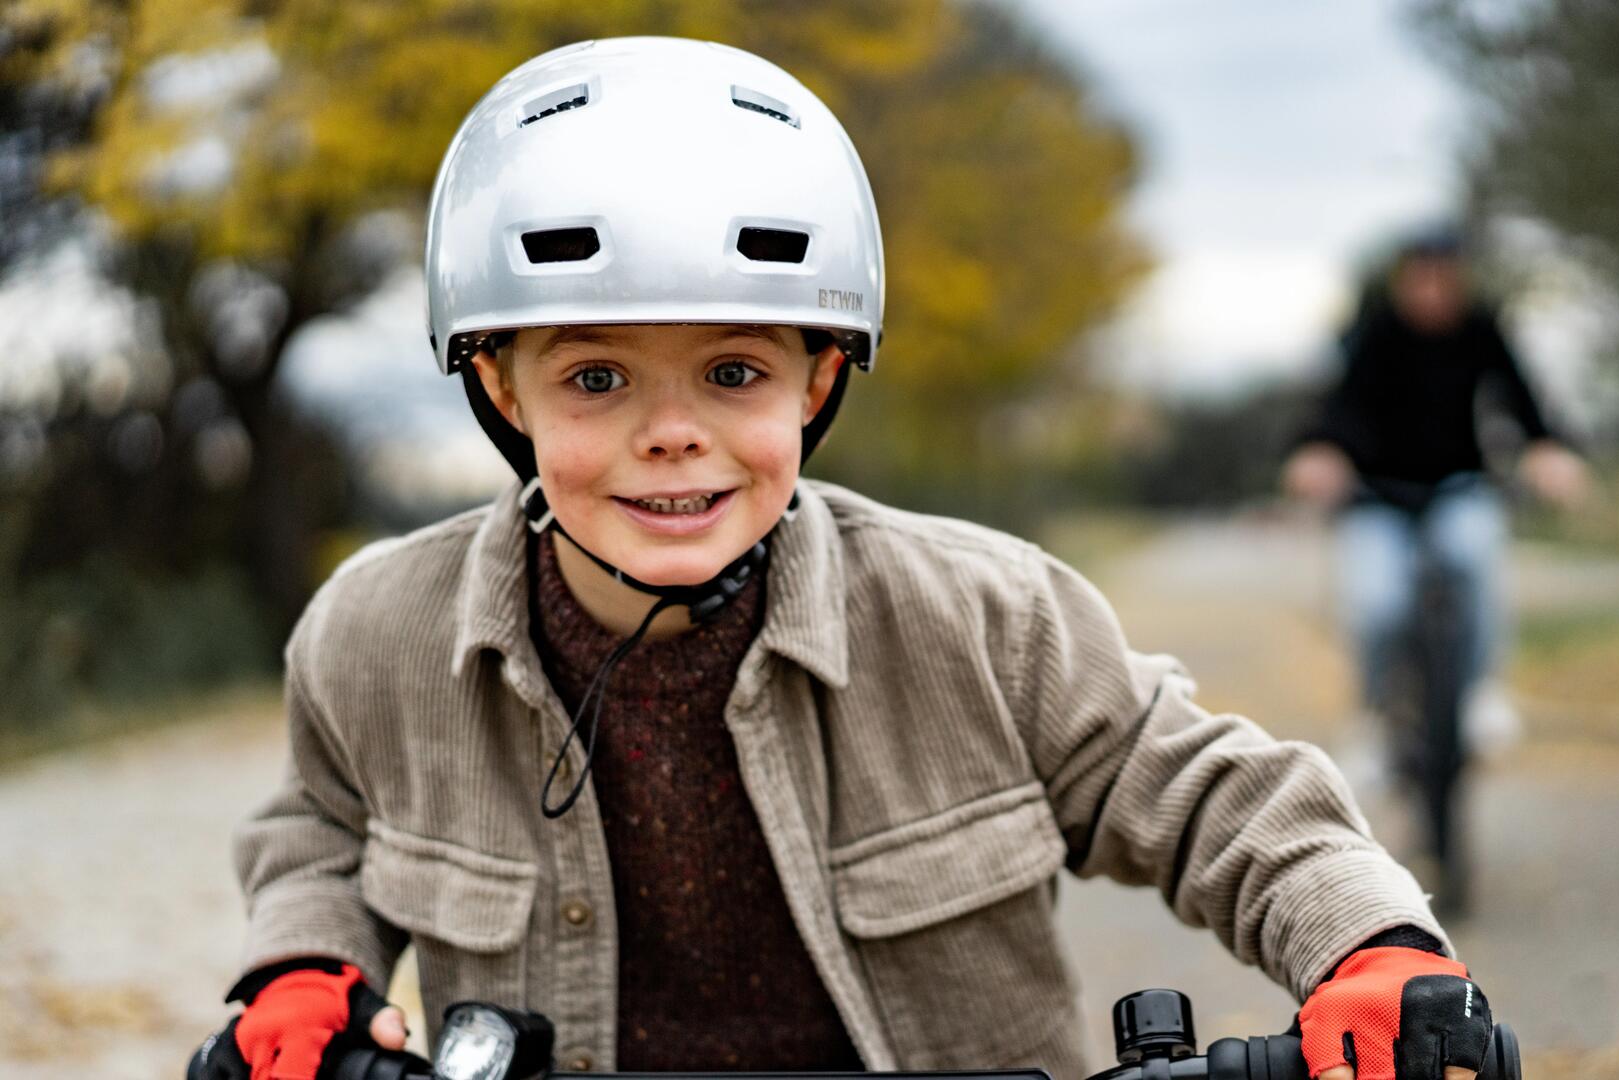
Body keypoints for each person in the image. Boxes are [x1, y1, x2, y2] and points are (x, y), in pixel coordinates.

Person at [189, 40, 1492, 1080]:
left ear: (818, 379)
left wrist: (1366, 947)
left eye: (734, 371)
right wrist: (303, 970)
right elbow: (321, 822)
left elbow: (1213, 794)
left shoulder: (987, 616)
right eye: (595, 377)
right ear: (500, 389)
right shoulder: (377, 633)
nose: (673, 435)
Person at [1282, 229, 1586, 903]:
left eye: (1442, 277)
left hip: (1456, 493)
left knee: (1477, 559)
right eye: (1418, 277)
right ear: (1400, 280)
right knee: (1376, 602)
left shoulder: (1481, 331)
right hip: (1376, 503)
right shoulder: (1372, 334)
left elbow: (1525, 400)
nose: (1430, 291)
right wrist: (1317, 454)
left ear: (1460, 280)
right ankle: (1370, 717)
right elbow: (1331, 410)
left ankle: (1482, 690)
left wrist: (1547, 449)